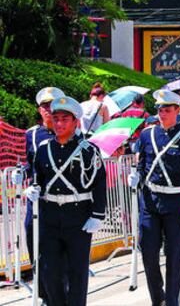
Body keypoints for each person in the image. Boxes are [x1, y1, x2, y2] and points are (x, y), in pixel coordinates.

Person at [23, 95, 106, 306]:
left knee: (77, 273)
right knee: (50, 273)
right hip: (50, 218)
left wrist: (97, 215)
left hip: (78, 217)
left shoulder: (88, 150)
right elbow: (38, 178)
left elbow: (99, 183)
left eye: (64, 119)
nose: (59, 123)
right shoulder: (43, 149)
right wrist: (33, 189)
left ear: (75, 122)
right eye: (56, 118)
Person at [128, 90, 180, 306]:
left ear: (178, 111)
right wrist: (135, 175)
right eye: (159, 110)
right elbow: (143, 161)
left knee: (175, 257)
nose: (162, 114)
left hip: (176, 202)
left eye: (167, 110)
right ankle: (158, 299)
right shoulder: (147, 135)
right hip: (150, 201)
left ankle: (173, 301)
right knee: (148, 252)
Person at [16, 86, 64, 303]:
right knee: (34, 243)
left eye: (52, 106)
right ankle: (44, 293)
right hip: (37, 202)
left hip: (61, 203)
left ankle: (60, 292)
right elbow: (30, 162)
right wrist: (21, 175)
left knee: (60, 253)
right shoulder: (32, 134)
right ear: (39, 110)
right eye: (44, 106)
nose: (48, 110)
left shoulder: (68, 135)